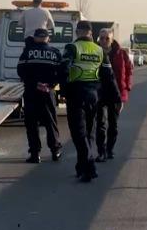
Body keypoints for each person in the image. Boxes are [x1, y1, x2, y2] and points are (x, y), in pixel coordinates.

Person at [62, 20, 106, 182]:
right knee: (89, 133)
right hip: (94, 96)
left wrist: (63, 90)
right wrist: (115, 98)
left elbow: (63, 68)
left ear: (77, 32)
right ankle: (82, 167)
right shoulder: (99, 50)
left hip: (76, 95)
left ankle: (89, 165)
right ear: (91, 33)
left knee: (78, 133)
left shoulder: (72, 48)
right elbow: (108, 76)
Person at [17, 28, 63, 163]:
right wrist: (50, 85)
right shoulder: (55, 53)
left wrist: (35, 84)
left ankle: (35, 153)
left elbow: (20, 71)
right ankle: (55, 151)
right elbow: (61, 73)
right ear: (48, 38)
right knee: (50, 122)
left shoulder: (27, 52)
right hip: (48, 93)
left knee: (31, 123)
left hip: (31, 91)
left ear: (35, 37)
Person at [95, 29, 133, 161]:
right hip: (99, 93)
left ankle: (109, 149)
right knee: (100, 123)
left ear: (112, 40)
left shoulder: (121, 53)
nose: (104, 41)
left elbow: (128, 71)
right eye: (102, 38)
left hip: (115, 94)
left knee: (113, 124)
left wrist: (126, 88)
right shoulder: (94, 52)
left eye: (107, 38)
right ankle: (101, 151)